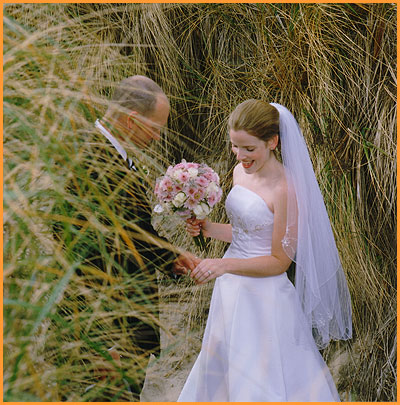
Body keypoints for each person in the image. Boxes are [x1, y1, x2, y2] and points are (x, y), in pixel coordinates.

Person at [178, 100, 352, 401]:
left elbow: (279, 261)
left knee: (262, 375)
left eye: (249, 148)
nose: (241, 156)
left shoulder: (285, 189)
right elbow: (247, 233)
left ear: (272, 142)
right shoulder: (239, 173)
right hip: (231, 289)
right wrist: (208, 228)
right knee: (227, 366)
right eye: (235, 147)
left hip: (264, 297)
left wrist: (224, 265)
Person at [53, 75, 198, 401]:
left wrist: (170, 257)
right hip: (107, 335)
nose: (158, 137)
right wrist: (104, 344)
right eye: (157, 128)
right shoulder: (98, 162)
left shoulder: (99, 150)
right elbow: (85, 255)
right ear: (132, 121)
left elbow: (128, 231)